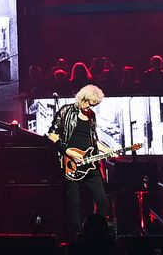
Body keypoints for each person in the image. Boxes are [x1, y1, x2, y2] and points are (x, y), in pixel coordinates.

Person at [47, 85, 115, 233]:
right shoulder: (66, 111)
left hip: (90, 163)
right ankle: (76, 237)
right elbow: (52, 134)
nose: (89, 107)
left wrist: (108, 150)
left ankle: (99, 234)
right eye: (88, 103)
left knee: (102, 200)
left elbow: (93, 140)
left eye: (93, 104)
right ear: (82, 98)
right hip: (71, 164)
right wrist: (68, 152)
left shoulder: (91, 116)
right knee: (74, 203)